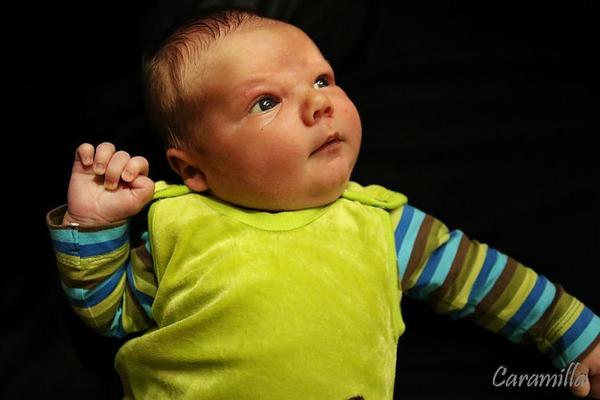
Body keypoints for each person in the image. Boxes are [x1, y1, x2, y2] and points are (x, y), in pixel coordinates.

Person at [47, 9, 599, 399]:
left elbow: (489, 282)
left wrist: (578, 336)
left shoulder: (382, 226)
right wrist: (93, 224)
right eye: (266, 101)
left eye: (321, 78)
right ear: (193, 168)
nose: (320, 104)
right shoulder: (178, 223)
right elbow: (110, 315)